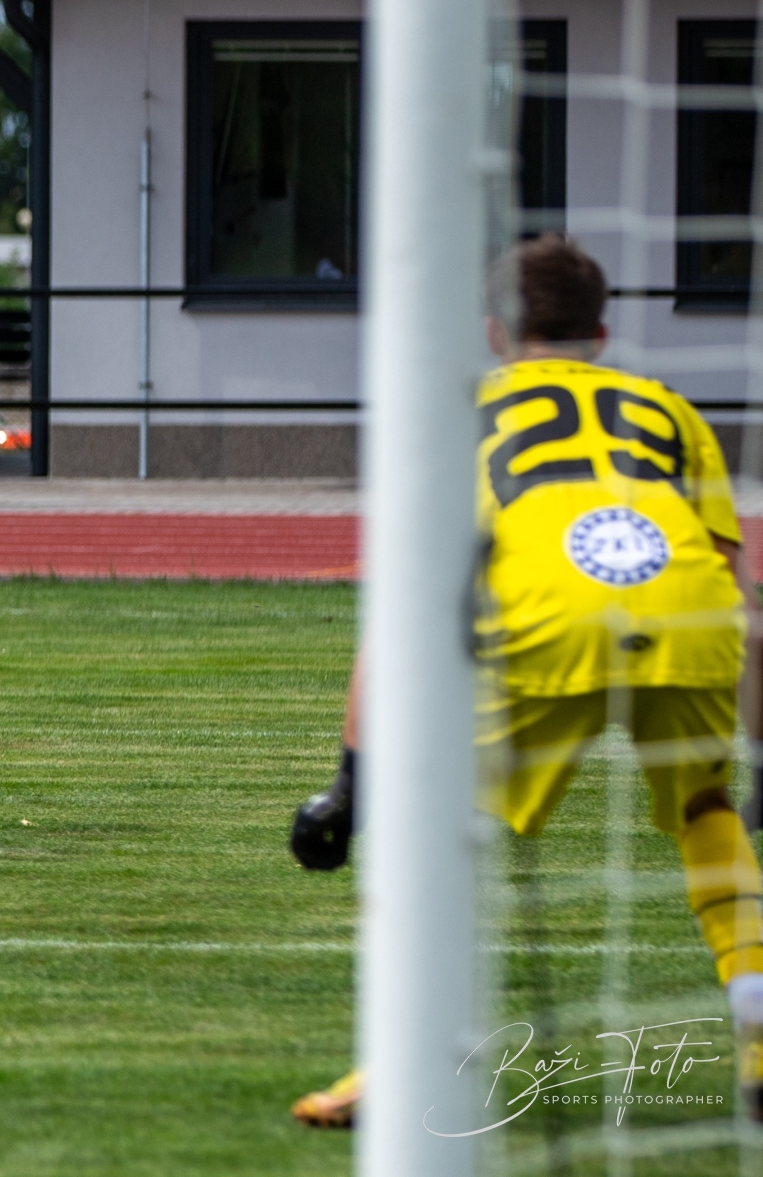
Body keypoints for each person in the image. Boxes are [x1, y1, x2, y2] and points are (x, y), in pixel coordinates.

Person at [287, 234, 763, 1127]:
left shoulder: (458, 410)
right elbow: (744, 595)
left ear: (495, 332)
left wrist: (350, 781)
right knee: (708, 814)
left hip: (548, 618)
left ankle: (401, 1066)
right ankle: (760, 1024)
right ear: (603, 332)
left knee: (441, 833)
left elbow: (403, 612)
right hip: (689, 612)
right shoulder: (670, 411)